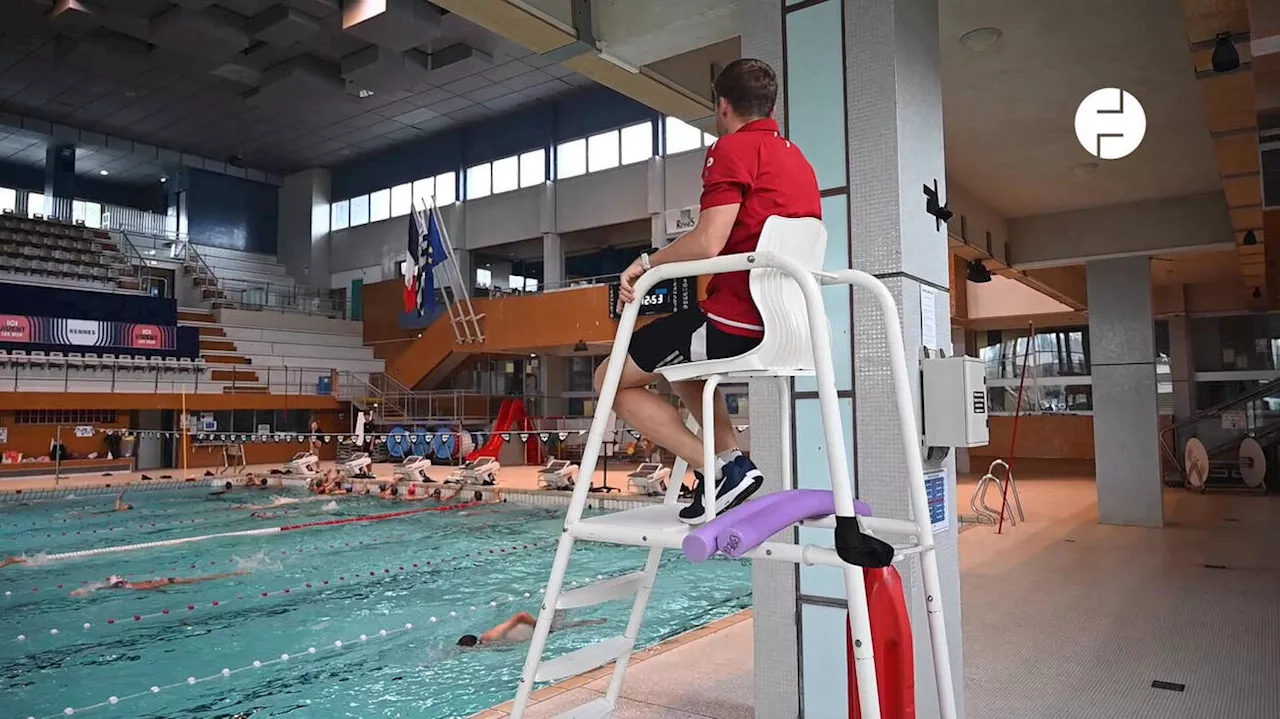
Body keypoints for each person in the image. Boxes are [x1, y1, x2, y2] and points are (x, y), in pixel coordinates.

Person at [594, 58, 821, 525]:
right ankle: (732, 462)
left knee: (607, 380)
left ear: (722, 106)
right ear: (769, 105)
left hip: (735, 318)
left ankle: (714, 469)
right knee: (681, 369)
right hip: (788, 324)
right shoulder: (798, 160)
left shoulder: (732, 149)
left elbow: (708, 241)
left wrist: (644, 264)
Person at [457, 610, 605, 648]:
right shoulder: (490, 645)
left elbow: (522, 615)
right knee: (566, 622)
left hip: (541, 628)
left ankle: (598, 621)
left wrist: (541, 626)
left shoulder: (489, 637)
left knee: (572, 624)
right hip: (537, 632)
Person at [70, 570, 250, 596]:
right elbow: (102, 587)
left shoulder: (128, 587)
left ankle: (236, 573)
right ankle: (236, 572)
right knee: (202, 579)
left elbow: (150, 587)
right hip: (162, 582)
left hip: (165, 582)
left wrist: (162, 589)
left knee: (203, 580)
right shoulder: (128, 585)